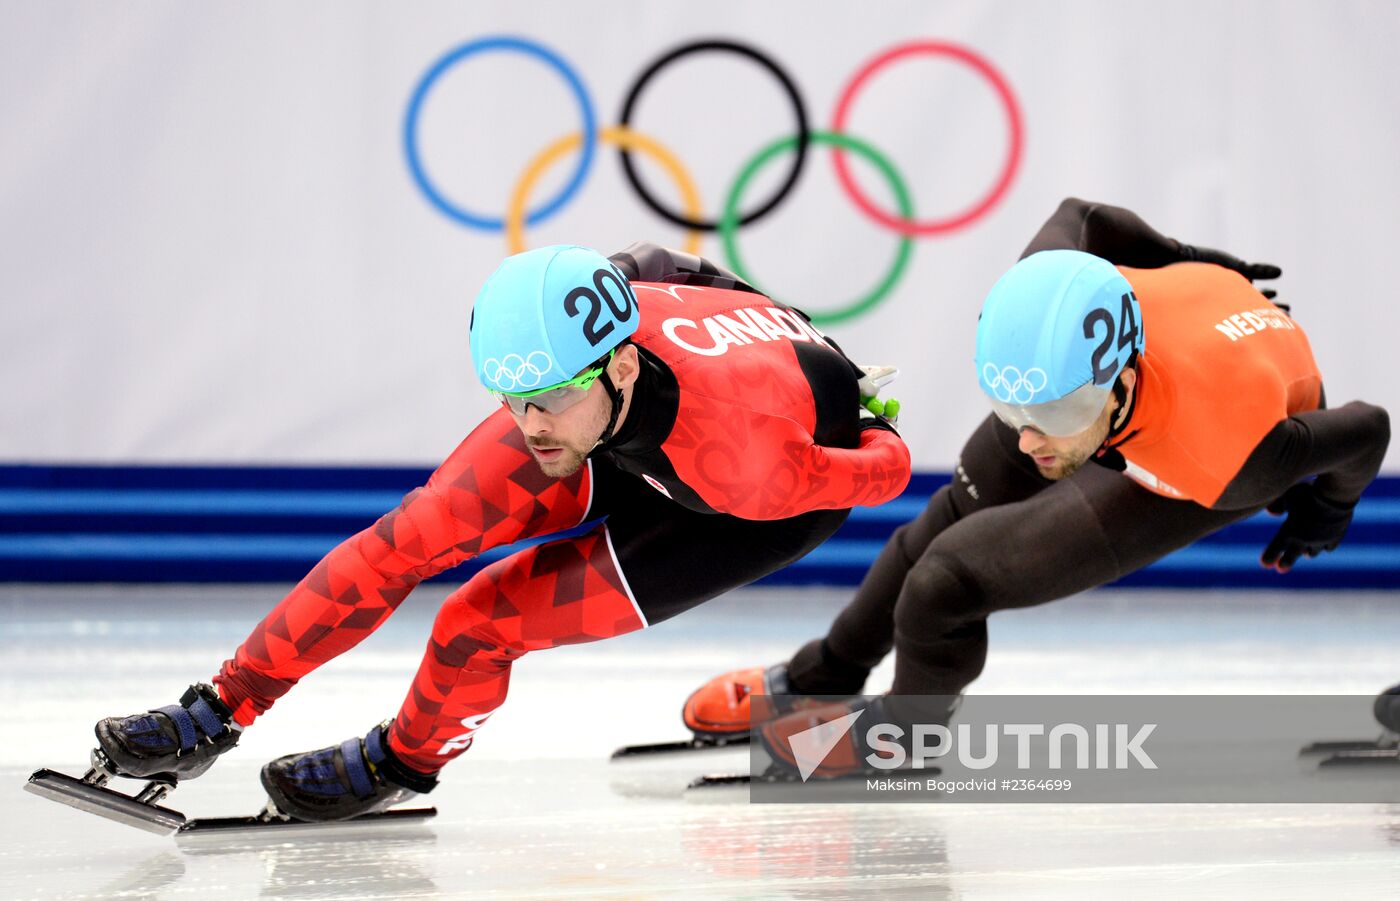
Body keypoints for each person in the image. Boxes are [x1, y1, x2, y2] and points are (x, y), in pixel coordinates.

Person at [91, 243, 912, 820]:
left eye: (547, 397)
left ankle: (402, 760)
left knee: (479, 625)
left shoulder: (747, 458)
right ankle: (219, 709)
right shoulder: (593, 336)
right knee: (412, 534)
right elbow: (665, 262)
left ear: (620, 365)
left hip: (747, 501)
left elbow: (889, 471)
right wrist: (563, 401)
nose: (529, 424)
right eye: (510, 398)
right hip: (636, 431)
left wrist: (873, 427)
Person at [683, 198, 1392, 772]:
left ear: (1117, 384)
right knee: (938, 523)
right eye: (1010, 410)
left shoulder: (1231, 457)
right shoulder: (1049, 318)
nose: (1028, 440)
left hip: (1194, 444)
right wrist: (1187, 258)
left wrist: (1331, 502)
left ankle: (904, 738)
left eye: (1049, 417)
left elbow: (1366, 426)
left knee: (945, 586)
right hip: (1144, 365)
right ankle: (825, 673)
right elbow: (1083, 213)